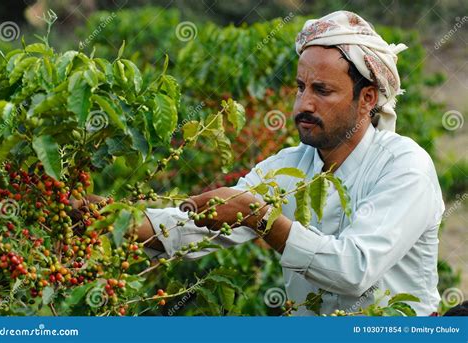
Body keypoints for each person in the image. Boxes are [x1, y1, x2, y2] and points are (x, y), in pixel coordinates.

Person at [137, 11, 445, 316]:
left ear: (366, 99)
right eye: (301, 87)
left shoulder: (404, 166)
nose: (303, 104)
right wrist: (106, 218)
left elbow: (354, 270)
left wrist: (259, 217)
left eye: (322, 90)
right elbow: (193, 227)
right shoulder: (287, 167)